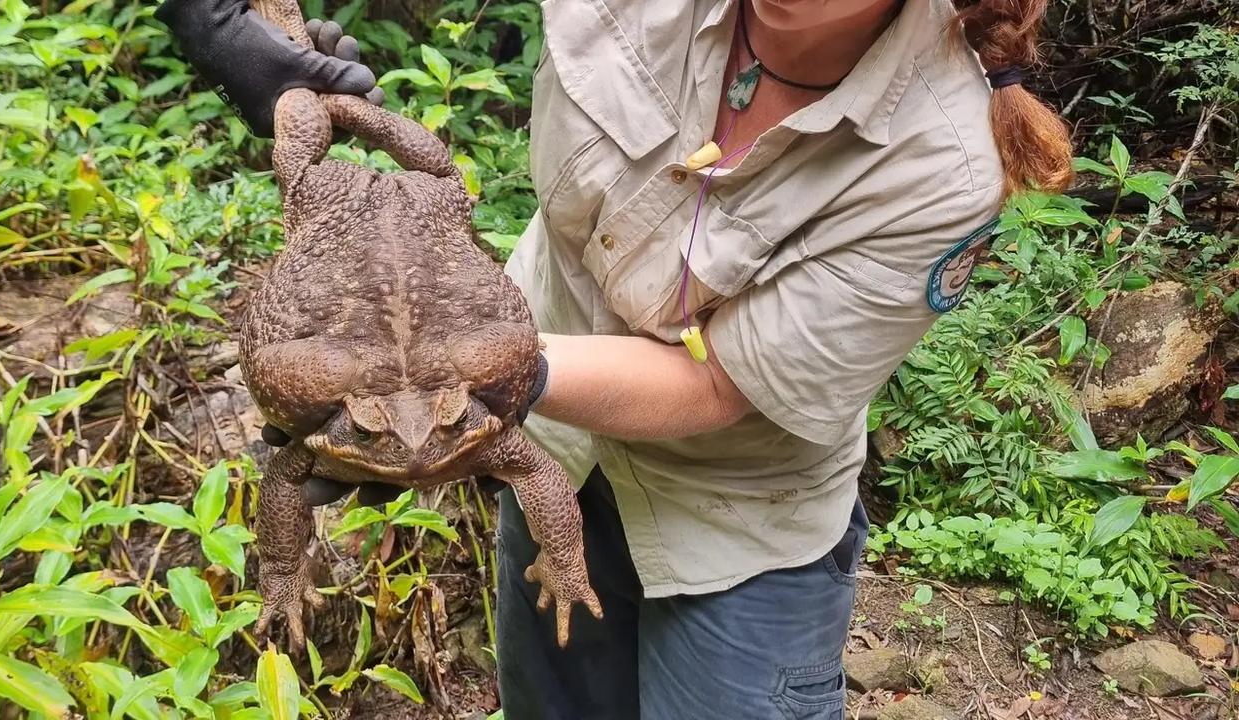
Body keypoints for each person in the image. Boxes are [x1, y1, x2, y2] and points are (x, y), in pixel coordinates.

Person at [155, 0, 1072, 717]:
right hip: (552, 453)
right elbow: (428, 193)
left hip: (732, 525)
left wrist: (458, 383)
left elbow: (720, 383)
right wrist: (267, 54)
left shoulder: (943, 166)